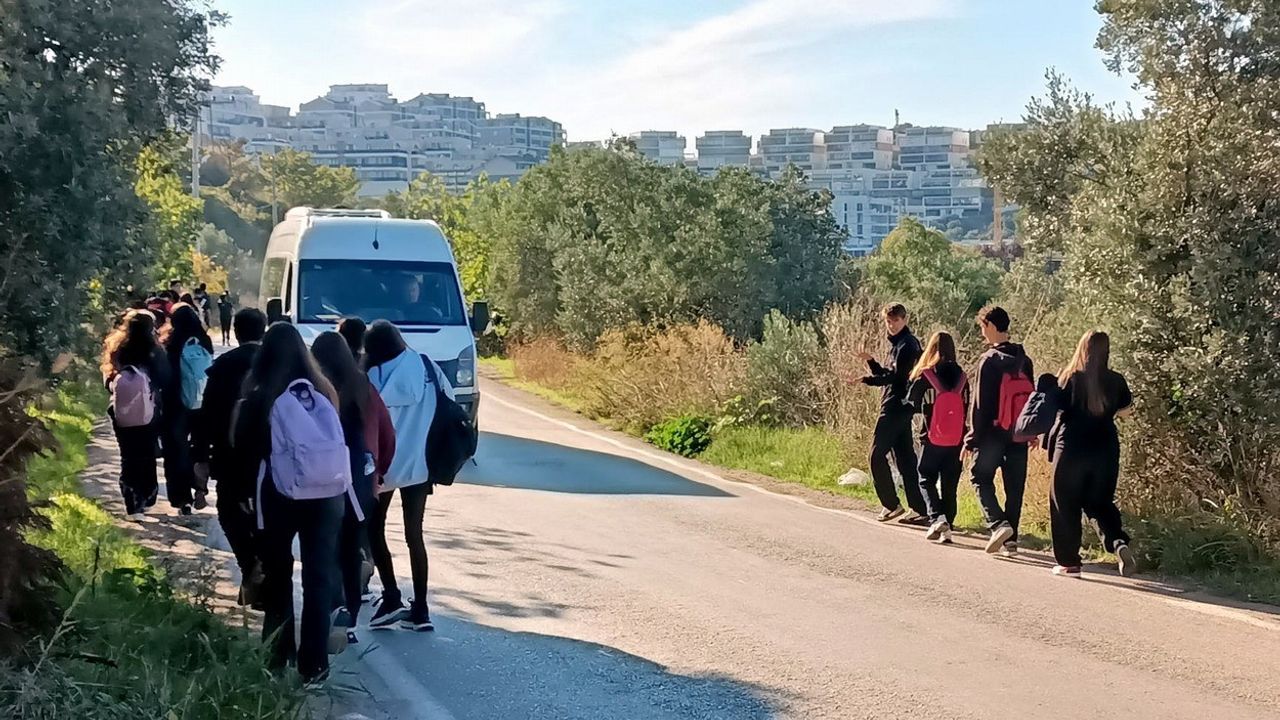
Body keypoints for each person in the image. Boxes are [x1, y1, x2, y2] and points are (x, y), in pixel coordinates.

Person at [234, 323, 346, 683]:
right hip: (327, 493)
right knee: (319, 576)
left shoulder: (261, 393)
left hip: (278, 493)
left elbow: (245, 450)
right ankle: (315, 665)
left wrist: (243, 496)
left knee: (279, 574)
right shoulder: (323, 392)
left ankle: (277, 656)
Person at [363, 320, 453, 632]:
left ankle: (391, 596)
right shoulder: (427, 366)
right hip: (421, 465)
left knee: (374, 530)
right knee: (415, 535)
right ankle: (422, 610)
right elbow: (450, 404)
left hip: (384, 467)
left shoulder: (373, 375)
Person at [312, 332, 395, 644]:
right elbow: (387, 432)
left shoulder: (315, 387)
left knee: (326, 551)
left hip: (324, 482)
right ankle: (350, 620)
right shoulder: (364, 385)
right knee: (351, 550)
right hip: (362, 483)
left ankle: (332, 610)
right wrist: (380, 472)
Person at [193, 308, 267, 605]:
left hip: (229, 454)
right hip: (271, 454)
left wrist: (199, 455)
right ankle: (263, 567)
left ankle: (249, 566)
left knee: (229, 511)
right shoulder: (275, 364)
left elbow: (206, 414)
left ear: (235, 332)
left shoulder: (223, 366)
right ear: (264, 330)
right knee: (265, 515)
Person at [1048, 331, 1137, 578]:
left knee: (1064, 503)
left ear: (1082, 348)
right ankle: (1118, 541)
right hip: (1105, 448)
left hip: (1072, 448)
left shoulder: (1069, 378)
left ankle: (1069, 563)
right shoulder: (1116, 380)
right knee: (1099, 502)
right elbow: (1127, 411)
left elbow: (1053, 407)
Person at [966, 306, 1036, 556]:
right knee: (1014, 488)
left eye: (983, 328)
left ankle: (998, 524)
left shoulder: (989, 361)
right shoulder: (1024, 359)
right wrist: (1033, 432)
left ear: (992, 326)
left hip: (994, 433)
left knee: (979, 477)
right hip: (1019, 433)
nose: (983, 334)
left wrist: (972, 440)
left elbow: (980, 405)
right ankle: (1011, 541)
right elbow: (1032, 400)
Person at [856, 303, 929, 524]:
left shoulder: (907, 345)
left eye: (895, 320)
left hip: (896, 406)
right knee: (905, 459)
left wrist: (866, 379)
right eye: (888, 321)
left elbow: (896, 378)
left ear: (905, 319)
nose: (892, 325)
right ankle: (919, 508)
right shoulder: (898, 344)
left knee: (876, 455)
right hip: (900, 406)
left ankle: (891, 504)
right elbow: (888, 374)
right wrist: (870, 362)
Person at [101, 310, 167, 520]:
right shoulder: (155, 350)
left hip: (121, 410)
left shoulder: (117, 348)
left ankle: (132, 502)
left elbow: (107, 380)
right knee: (147, 454)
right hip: (149, 411)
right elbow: (165, 378)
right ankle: (147, 494)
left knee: (128, 455)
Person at [907, 331, 969, 545]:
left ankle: (937, 517)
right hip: (957, 439)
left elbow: (910, 402)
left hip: (932, 437)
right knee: (950, 485)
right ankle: (948, 528)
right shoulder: (962, 376)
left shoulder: (927, 375)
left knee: (925, 478)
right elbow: (968, 405)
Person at [159, 303, 214, 515]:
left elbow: (164, 375)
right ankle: (200, 488)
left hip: (175, 404)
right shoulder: (204, 341)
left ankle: (182, 499)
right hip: (202, 403)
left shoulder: (170, 342)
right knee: (200, 448)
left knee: (176, 451)